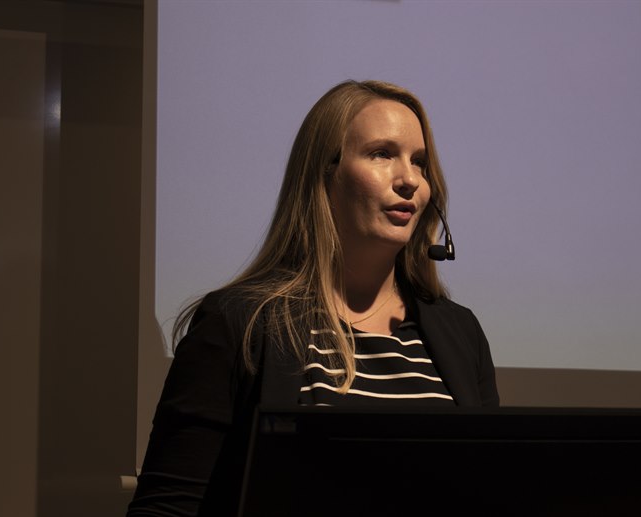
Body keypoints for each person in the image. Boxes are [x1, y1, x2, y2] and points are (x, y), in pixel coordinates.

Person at [126, 80, 499, 516]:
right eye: (382, 154)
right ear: (324, 173)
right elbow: (166, 510)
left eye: (419, 161)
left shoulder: (461, 333)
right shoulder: (238, 323)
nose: (410, 180)